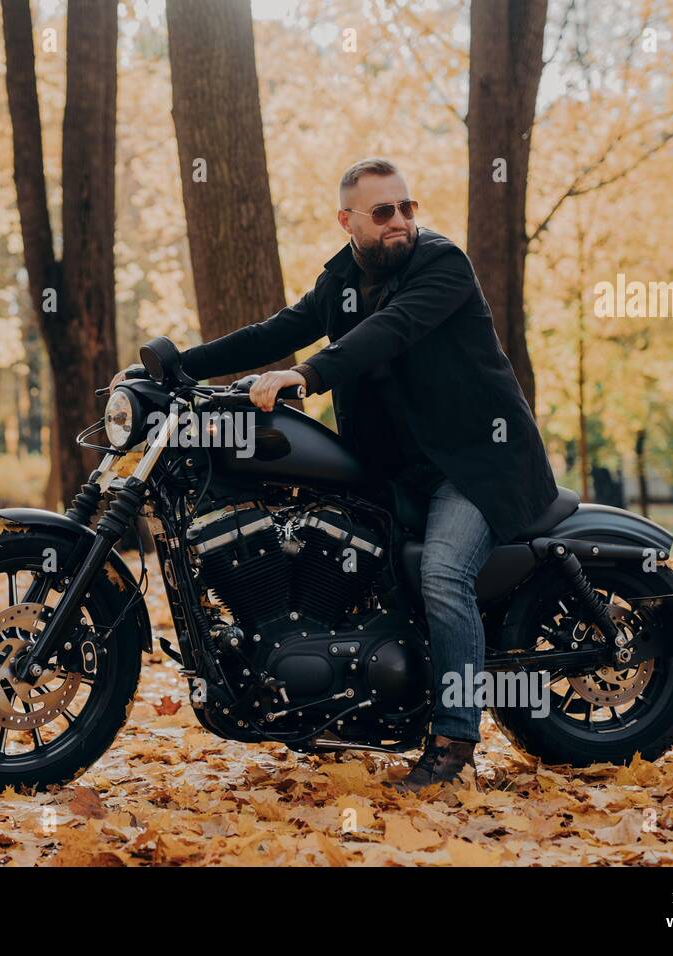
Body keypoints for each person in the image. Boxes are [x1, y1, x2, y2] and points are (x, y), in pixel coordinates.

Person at [112, 157, 559, 789]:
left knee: (442, 574)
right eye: (383, 211)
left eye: (406, 207)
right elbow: (276, 331)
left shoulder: (442, 264)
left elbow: (390, 331)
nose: (399, 220)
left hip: (475, 465)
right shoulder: (343, 278)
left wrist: (306, 374)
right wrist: (175, 368)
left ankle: (454, 743)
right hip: (396, 469)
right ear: (348, 221)